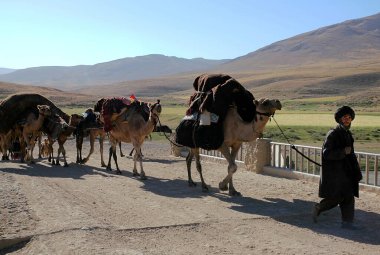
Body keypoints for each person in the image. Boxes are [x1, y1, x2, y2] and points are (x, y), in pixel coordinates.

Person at [312, 106, 363, 229]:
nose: (347, 119)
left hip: (347, 172)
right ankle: (319, 207)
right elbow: (327, 153)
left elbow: (351, 154)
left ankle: (347, 223)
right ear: (340, 119)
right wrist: (343, 152)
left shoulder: (347, 134)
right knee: (336, 197)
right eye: (345, 117)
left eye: (349, 117)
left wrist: (356, 171)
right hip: (336, 173)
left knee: (349, 197)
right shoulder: (333, 133)